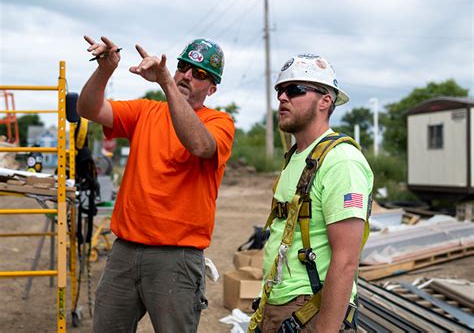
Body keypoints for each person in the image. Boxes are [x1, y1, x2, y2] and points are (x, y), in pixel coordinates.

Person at [78, 35, 235, 333]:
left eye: (199, 74)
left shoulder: (220, 123)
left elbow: (200, 146)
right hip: (124, 251)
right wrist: (105, 69)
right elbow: (88, 109)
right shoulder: (145, 112)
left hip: (176, 259)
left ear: (212, 88)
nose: (187, 76)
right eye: (183, 67)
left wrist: (165, 84)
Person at [249, 54, 373, 332]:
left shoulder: (342, 162)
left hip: (310, 311)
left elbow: (346, 260)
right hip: (279, 305)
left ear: (325, 101)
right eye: (280, 90)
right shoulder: (296, 157)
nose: (282, 97)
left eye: (295, 90)